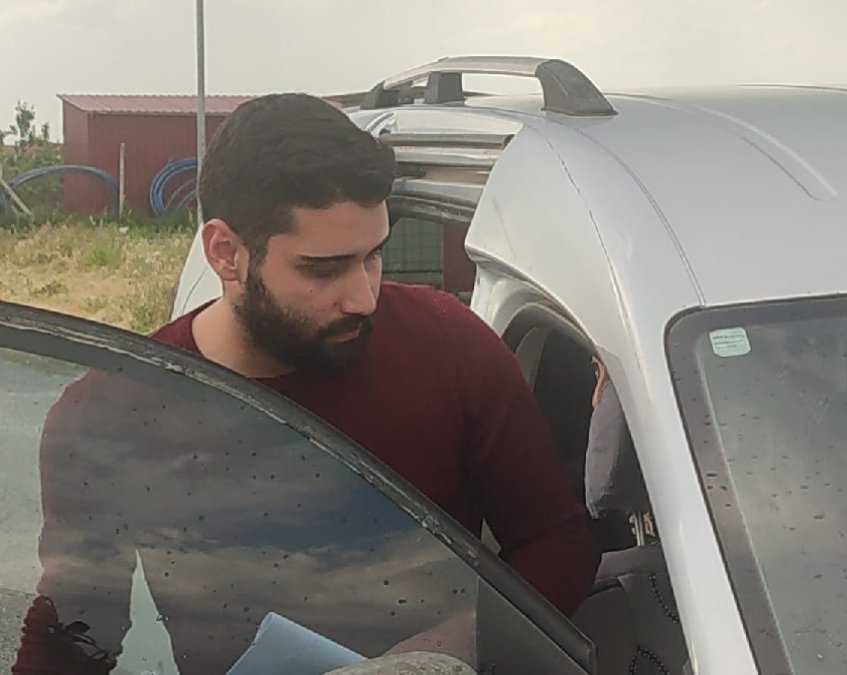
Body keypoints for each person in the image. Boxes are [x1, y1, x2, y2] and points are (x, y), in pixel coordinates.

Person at [15, 93, 599, 672]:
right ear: (225, 253)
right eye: (324, 269)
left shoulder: (448, 343)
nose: (363, 297)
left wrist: (446, 653)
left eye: (373, 256)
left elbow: (559, 541)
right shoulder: (111, 414)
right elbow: (73, 636)